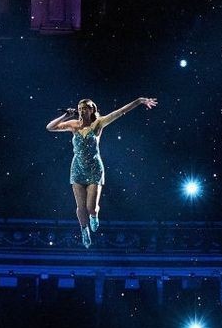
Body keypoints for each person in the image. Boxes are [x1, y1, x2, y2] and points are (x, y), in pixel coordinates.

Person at [46, 96, 157, 247]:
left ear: (92, 109)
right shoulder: (74, 125)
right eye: (79, 109)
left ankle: (94, 215)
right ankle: (84, 229)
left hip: (94, 169)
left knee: (90, 207)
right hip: (77, 169)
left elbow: (120, 112)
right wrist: (66, 115)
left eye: (85, 108)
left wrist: (139, 101)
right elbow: (50, 127)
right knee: (81, 207)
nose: (81, 111)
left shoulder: (99, 123)